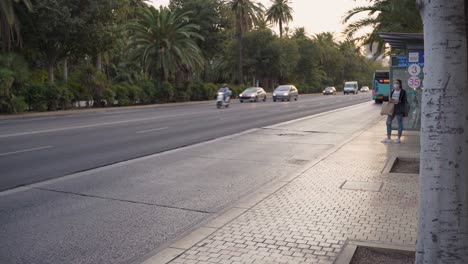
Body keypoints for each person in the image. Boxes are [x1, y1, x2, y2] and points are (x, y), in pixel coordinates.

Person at [382, 79, 407, 144]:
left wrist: (395, 100)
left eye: (397, 83)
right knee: (388, 122)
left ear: (400, 84)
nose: (395, 84)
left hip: (399, 109)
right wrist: (391, 100)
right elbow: (391, 100)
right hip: (392, 108)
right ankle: (388, 137)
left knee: (399, 123)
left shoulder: (403, 92)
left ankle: (398, 138)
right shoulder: (393, 91)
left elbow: (402, 100)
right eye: (395, 83)